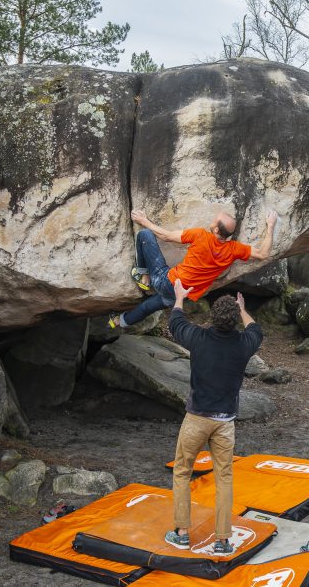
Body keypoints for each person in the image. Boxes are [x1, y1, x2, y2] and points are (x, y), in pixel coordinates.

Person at [164, 279, 262, 554]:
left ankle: (182, 533)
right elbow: (256, 329)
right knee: (224, 478)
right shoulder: (244, 344)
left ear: (212, 318)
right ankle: (222, 540)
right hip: (225, 422)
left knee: (183, 471)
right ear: (234, 321)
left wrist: (180, 296)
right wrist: (243, 309)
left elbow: (175, 322)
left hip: (196, 418)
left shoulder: (199, 338)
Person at [109, 207, 278, 328]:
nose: (211, 220)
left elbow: (166, 236)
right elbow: (263, 254)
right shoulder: (234, 250)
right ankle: (120, 321)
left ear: (217, 229)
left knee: (144, 234)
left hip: (167, 281)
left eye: (214, 220)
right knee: (147, 307)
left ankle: (143, 276)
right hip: (181, 295)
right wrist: (270, 225)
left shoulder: (200, 235)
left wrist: (144, 221)